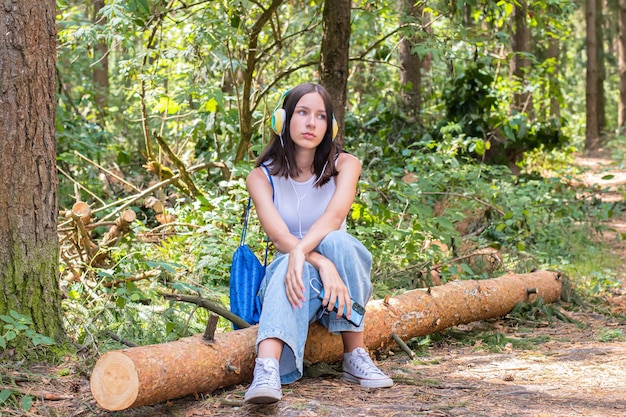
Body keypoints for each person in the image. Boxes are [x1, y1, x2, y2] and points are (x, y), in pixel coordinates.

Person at [244, 83, 393, 404]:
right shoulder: (261, 177)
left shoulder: (345, 165)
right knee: (287, 262)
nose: (311, 123)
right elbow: (279, 237)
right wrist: (316, 261)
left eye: (321, 116)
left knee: (339, 242)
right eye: (302, 113)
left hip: (339, 290)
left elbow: (334, 215)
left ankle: (355, 355)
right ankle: (266, 368)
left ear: (331, 127)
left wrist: (309, 253)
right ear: (282, 120)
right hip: (294, 286)